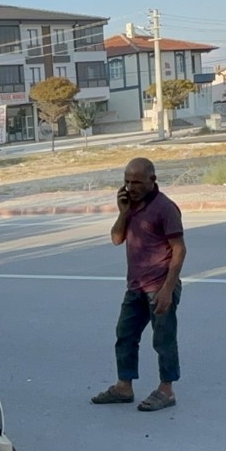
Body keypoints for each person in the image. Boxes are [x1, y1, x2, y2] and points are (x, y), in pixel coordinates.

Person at [92, 157, 186, 412]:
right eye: (127, 181)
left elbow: (179, 250)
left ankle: (166, 390)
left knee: (163, 340)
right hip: (136, 286)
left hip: (159, 287)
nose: (131, 187)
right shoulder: (130, 206)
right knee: (125, 335)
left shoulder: (165, 208)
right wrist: (123, 212)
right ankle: (124, 387)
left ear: (152, 180)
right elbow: (116, 239)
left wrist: (168, 290)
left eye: (137, 182)